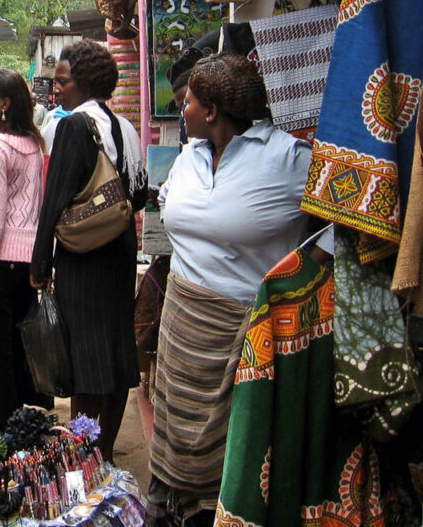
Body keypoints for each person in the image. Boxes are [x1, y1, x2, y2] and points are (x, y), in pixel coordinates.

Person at [149, 54, 310, 526]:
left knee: (237, 455)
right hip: (182, 332)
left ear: (213, 110)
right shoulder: (188, 158)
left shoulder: (287, 158)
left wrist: (298, 278)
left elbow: (340, 228)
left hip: (245, 338)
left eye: (191, 102)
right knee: (180, 451)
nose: (184, 111)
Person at [30, 40, 147, 463]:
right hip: (119, 253)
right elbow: (138, 195)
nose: (55, 90)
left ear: (83, 82)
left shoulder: (75, 125)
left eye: (61, 81)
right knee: (116, 352)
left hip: (83, 255)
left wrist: (40, 262)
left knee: (85, 359)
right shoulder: (125, 127)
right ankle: (106, 451)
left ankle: (83, 454)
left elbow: (55, 197)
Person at [0, 69, 53, 434]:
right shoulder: (32, 143)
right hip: (28, 263)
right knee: (19, 355)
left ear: (4, 104)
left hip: (1, 265)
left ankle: (0, 440)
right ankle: (20, 434)